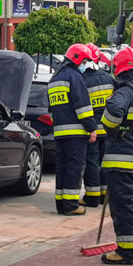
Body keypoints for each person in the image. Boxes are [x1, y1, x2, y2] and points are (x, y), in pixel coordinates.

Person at [99, 48, 133, 265]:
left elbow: (111, 115)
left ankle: (127, 252)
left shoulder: (124, 92)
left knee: (123, 207)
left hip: (120, 160)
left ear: (120, 70)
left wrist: (114, 130)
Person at [47, 43, 99, 215]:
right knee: (75, 167)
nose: (86, 65)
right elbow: (82, 106)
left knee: (62, 167)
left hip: (59, 133)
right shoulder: (75, 77)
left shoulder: (55, 78)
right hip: (76, 133)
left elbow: (51, 109)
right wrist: (92, 128)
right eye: (85, 61)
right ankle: (71, 206)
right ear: (77, 59)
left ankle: (61, 204)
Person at [80, 43, 115, 207]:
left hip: (91, 130)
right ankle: (104, 196)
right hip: (107, 129)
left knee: (92, 164)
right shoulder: (109, 78)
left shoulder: (82, 80)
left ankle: (92, 197)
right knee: (104, 163)